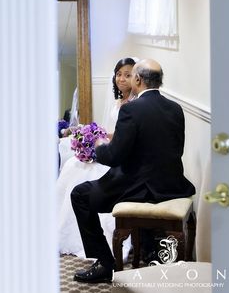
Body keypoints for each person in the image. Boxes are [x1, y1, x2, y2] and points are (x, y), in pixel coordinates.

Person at [71, 58, 196, 283]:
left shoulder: (131, 110)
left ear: (137, 79)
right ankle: (151, 251)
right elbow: (175, 149)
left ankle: (104, 263)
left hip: (140, 187)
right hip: (171, 185)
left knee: (79, 195)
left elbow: (114, 156)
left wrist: (99, 146)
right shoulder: (176, 109)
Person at [57, 57, 136, 258]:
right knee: (72, 163)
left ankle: (91, 236)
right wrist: (94, 136)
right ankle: (65, 228)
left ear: (136, 77)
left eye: (127, 75)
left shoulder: (136, 104)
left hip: (121, 158)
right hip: (112, 147)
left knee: (79, 170)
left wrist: (101, 143)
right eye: (119, 74)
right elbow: (115, 133)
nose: (122, 79)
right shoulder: (119, 102)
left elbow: (125, 139)